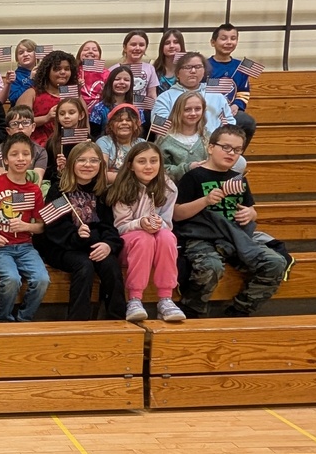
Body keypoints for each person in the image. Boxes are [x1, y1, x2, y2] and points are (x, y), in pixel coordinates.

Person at [173, 125, 286, 317]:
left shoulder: (238, 179)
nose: (231, 153)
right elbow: (177, 214)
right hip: (201, 237)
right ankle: (192, 311)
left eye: (237, 150)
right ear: (210, 148)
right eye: (225, 147)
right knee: (211, 266)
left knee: (275, 262)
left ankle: (239, 312)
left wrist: (250, 214)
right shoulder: (193, 177)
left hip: (235, 237)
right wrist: (205, 201)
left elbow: (251, 209)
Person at [35, 141, 126, 322]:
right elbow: (54, 227)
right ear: (72, 163)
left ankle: (117, 320)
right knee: (84, 265)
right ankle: (78, 322)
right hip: (62, 247)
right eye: (81, 160)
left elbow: (108, 226)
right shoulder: (59, 190)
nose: (87, 165)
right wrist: (76, 236)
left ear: (100, 165)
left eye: (93, 160)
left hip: (92, 244)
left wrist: (108, 245)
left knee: (110, 264)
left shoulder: (101, 192)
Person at [107, 143, 186, 322]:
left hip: (157, 240)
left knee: (167, 236)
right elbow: (120, 226)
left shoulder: (169, 187)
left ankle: (165, 298)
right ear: (130, 166)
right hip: (129, 245)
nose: (148, 166)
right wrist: (141, 223)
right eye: (142, 161)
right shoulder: (122, 187)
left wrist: (158, 224)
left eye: (153, 161)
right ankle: (134, 299)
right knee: (144, 238)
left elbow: (167, 223)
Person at [0, 134, 50, 323]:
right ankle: (3, 319)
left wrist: (27, 226)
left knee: (42, 280)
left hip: (25, 247)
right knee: (12, 279)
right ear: (5, 159)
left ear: (32, 158)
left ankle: (24, 319)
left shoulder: (34, 190)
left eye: (25, 154)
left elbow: (41, 227)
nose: (20, 158)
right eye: (14, 154)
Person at [157, 91, 246, 182]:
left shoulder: (207, 136)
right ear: (178, 111)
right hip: (177, 186)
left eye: (197, 109)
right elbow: (161, 170)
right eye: (187, 109)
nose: (193, 113)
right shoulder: (165, 140)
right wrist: (187, 168)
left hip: (207, 184)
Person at [152, 52, 235, 136]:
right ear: (177, 73)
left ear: (204, 71)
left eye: (198, 67)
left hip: (213, 141)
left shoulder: (216, 95)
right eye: (187, 67)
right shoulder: (165, 97)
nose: (193, 71)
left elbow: (229, 122)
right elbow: (159, 125)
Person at [16, 50, 78, 148]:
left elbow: (84, 122)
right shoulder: (32, 93)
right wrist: (46, 118)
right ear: (47, 71)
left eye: (67, 69)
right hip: (37, 146)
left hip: (68, 145)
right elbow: (19, 122)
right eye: (57, 69)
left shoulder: (75, 94)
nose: (63, 72)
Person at [208, 23, 258, 143]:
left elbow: (243, 92)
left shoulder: (242, 67)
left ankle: (237, 152)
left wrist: (236, 105)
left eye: (233, 38)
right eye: (223, 38)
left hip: (231, 112)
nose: (229, 42)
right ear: (213, 42)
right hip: (210, 112)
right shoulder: (204, 65)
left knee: (247, 122)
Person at [97, 103, 146, 182]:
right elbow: (102, 174)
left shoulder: (142, 143)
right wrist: (133, 179)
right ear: (111, 125)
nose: (124, 123)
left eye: (128, 120)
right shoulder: (103, 142)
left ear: (137, 124)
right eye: (119, 120)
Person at [89, 65, 135, 138]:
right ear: (110, 82)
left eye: (126, 80)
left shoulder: (136, 108)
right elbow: (94, 135)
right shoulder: (99, 108)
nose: (122, 82)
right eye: (117, 79)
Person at [76, 39, 109, 110]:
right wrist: (76, 86)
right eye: (86, 49)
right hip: (77, 110)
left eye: (94, 50)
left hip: (99, 111)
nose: (90, 51)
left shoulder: (107, 73)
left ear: (99, 56)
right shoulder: (72, 71)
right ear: (80, 54)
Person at [6, 39, 38, 107]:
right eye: (21, 53)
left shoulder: (44, 73)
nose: (25, 54)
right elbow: (13, 99)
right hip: (22, 110)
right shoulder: (15, 76)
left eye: (29, 51)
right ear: (17, 59)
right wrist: (30, 80)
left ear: (36, 54)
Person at [154, 29, 186, 93]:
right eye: (167, 43)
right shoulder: (154, 70)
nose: (171, 46)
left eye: (176, 42)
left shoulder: (189, 69)